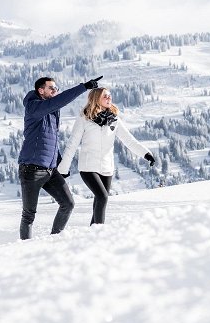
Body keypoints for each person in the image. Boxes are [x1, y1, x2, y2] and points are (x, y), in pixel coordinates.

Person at [18, 75, 103, 240]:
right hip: (31, 169)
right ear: (40, 90)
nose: (55, 90)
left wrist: (59, 164)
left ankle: (54, 239)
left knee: (68, 204)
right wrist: (83, 87)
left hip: (50, 169)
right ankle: (24, 248)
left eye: (56, 88)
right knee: (29, 215)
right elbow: (58, 101)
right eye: (51, 88)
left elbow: (51, 140)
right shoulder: (34, 107)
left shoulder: (51, 111)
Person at [58, 87, 155, 225]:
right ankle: (100, 232)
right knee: (102, 197)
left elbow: (129, 140)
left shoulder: (114, 119)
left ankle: (93, 232)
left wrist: (146, 154)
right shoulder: (84, 118)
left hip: (107, 167)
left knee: (99, 201)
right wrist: (63, 168)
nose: (109, 98)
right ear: (96, 99)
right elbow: (72, 143)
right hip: (88, 166)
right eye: (105, 96)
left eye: (110, 95)